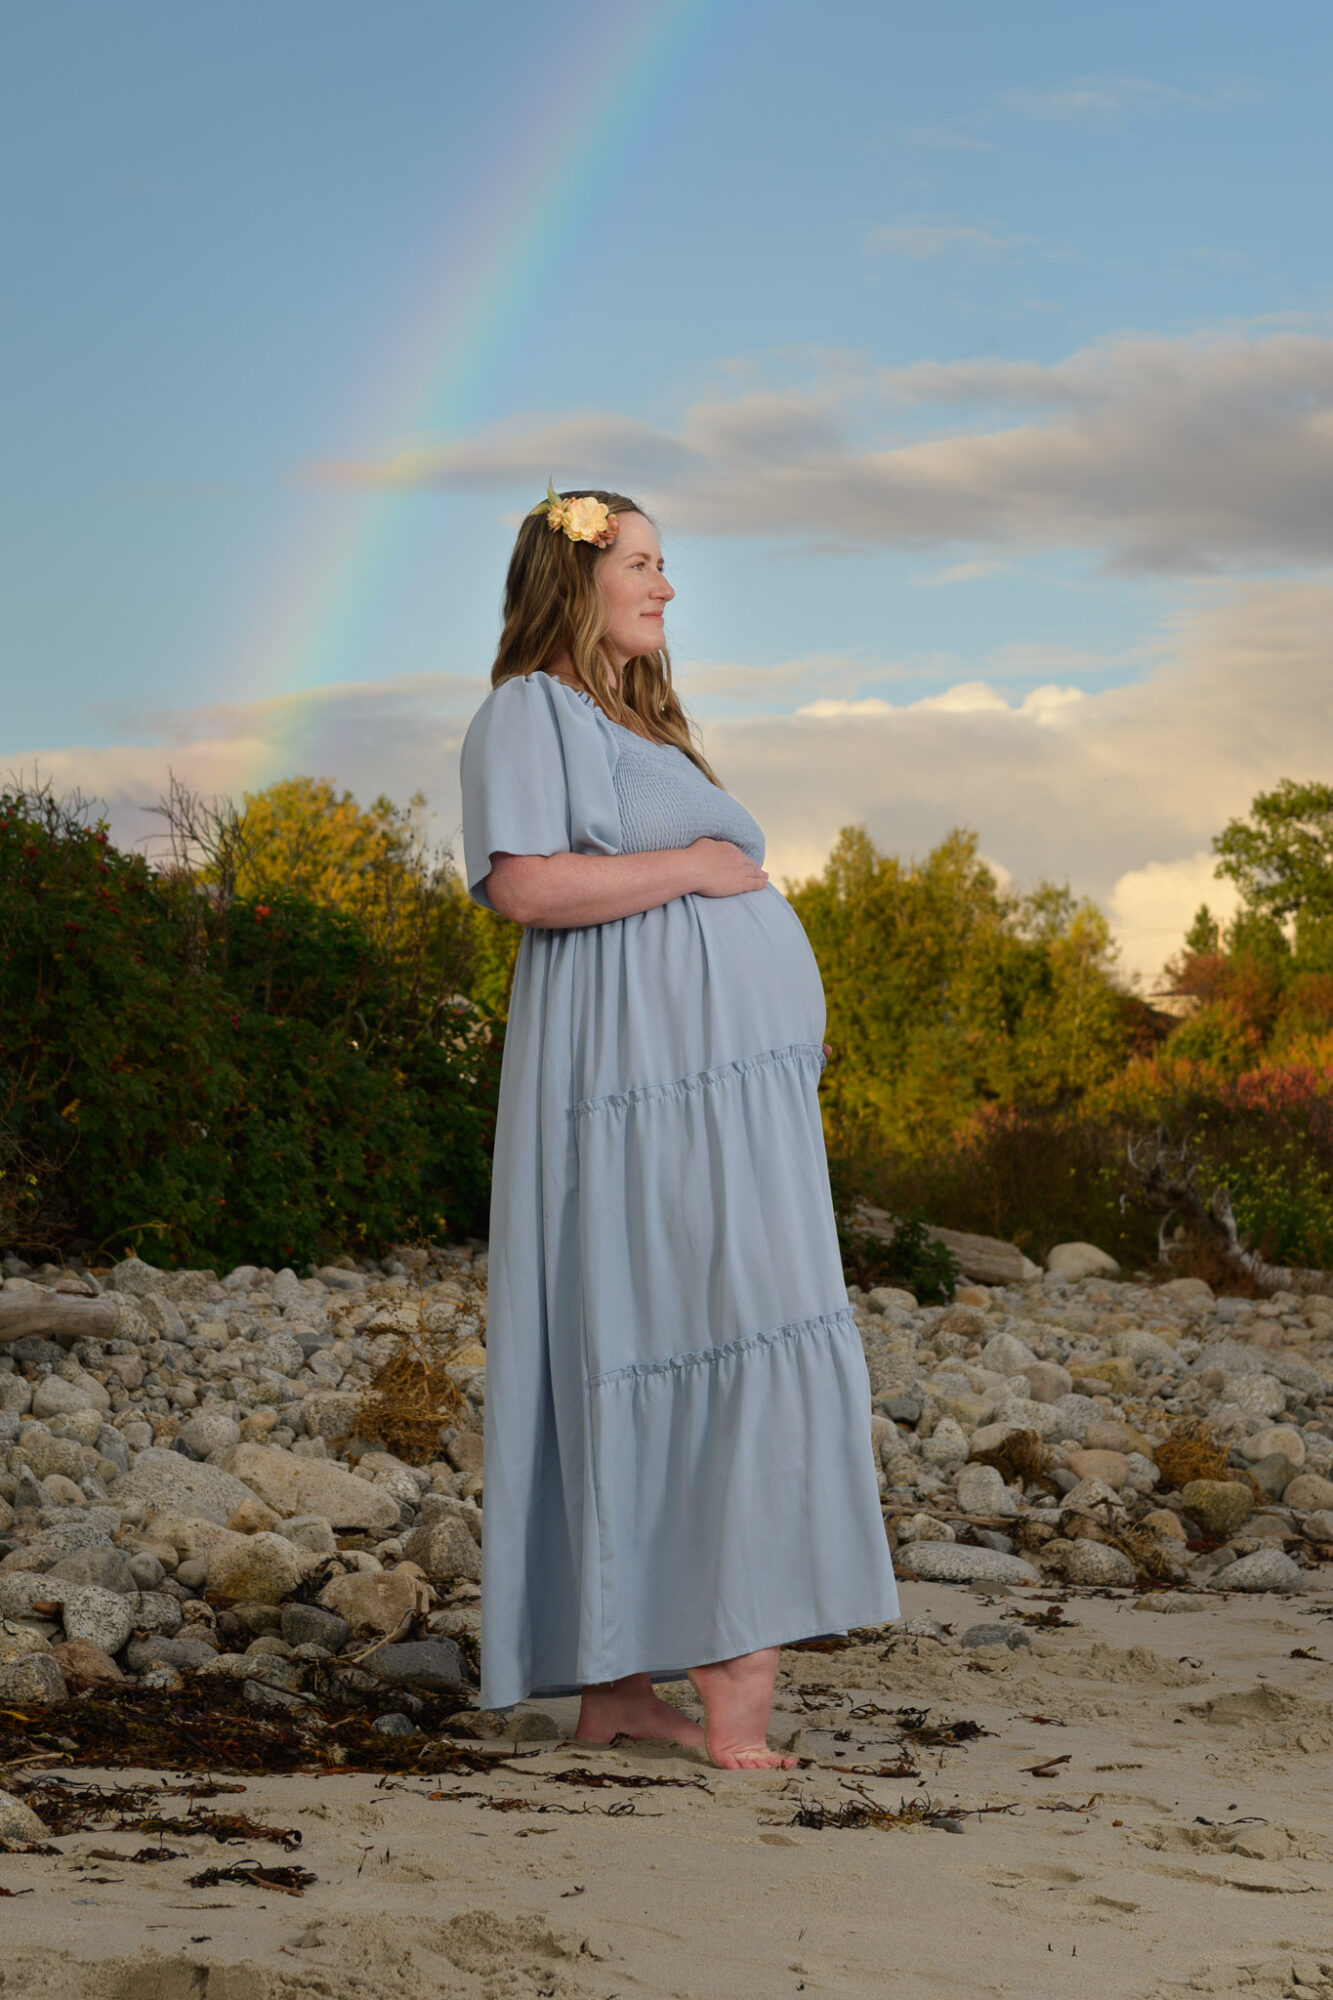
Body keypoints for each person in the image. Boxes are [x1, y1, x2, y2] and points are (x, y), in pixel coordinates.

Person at [458, 487, 898, 1770]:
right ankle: (733, 1681)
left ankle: (613, 1692)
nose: (663, 587)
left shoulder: (626, 724)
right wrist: (704, 868)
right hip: (641, 1096)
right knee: (717, 1330)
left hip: (714, 1098)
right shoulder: (526, 710)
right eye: (641, 564)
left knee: (667, 1332)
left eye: (663, 565)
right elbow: (525, 882)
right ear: (573, 575)